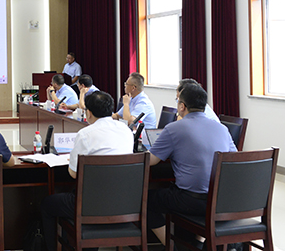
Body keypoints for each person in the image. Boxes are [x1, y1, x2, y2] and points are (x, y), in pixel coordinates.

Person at [40, 91, 133, 250]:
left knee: (47, 204)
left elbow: (74, 174)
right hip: (124, 203)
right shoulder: (126, 130)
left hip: (89, 205)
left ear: (88, 113)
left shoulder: (85, 134)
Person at [147, 83, 237, 244]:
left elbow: (151, 161)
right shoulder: (222, 128)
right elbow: (235, 161)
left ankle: (172, 245)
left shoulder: (174, 128)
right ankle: (196, 242)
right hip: (221, 200)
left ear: (182, 106)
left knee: (146, 200)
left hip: (191, 201)